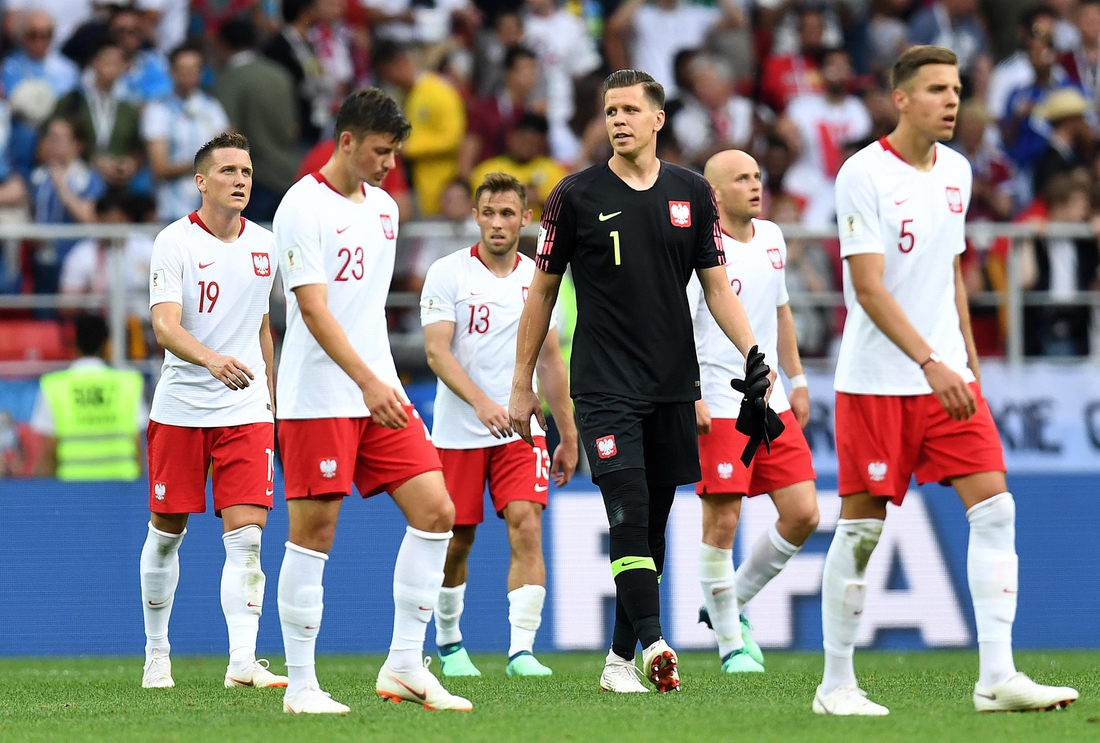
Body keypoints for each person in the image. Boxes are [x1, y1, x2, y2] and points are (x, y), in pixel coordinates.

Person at [820, 45, 1079, 715]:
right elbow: (869, 290)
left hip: (948, 381)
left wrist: (965, 361)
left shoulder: (958, 172)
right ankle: (836, 685)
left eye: (957, 88)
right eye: (936, 89)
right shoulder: (863, 174)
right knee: (862, 530)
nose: (951, 100)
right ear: (901, 98)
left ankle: (997, 677)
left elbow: (951, 277)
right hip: (879, 382)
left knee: (996, 507)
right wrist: (931, 362)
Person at [508, 69, 768, 694]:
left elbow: (714, 285)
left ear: (657, 120)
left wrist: (754, 349)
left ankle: (618, 660)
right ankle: (654, 644)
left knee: (651, 523)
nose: (617, 120)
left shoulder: (692, 193)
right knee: (625, 510)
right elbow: (542, 291)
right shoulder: (574, 195)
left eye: (629, 109)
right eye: (609, 110)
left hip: (673, 384)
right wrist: (524, 384)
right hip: (601, 384)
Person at [273, 88, 470, 715]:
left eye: (396, 154)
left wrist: (376, 379)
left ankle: (406, 666)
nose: (390, 165)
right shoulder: (301, 206)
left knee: (437, 509)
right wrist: (366, 380)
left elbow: (365, 312)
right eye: (382, 152)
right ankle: (302, 687)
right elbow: (312, 308)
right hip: (320, 395)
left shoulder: (385, 209)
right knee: (314, 534)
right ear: (347, 141)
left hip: (377, 389)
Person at [141, 132, 284, 692]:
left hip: (245, 410)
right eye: (227, 171)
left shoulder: (266, 245)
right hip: (180, 409)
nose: (240, 180)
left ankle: (242, 662)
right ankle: (157, 653)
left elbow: (262, 327)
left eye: (246, 171)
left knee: (247, 538)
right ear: (201, 181)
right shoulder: (174, 242)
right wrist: (211, 360)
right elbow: (164, 325)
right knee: (167, 534)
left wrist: (270, 399)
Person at [421, 172, 577, 678]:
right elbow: (436, 352)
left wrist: (568, 433)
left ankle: (521, 652)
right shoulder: (448, 273)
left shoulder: (539, 278)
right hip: (457, 431)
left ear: (525, 219)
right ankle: (449, 644)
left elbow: (551, 359)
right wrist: (483, 402)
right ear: (475, 216)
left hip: (520, 429)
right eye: (488, 213)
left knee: (526, 525)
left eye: (507, 213)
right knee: (456, 539)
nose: (497, 223)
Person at [688, 150, 819, 675]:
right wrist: (690, 391)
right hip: (719, 402)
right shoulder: (698, 249)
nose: (756, 185)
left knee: (804, 513)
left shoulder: (772, 238)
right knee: (723, 521)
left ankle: (729, 602)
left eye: (758, 175)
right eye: (742, 178)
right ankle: (730, 647)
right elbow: (678, 325)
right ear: (715, 194)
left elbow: (781, 311)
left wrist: (798, 378)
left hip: (772, 402)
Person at [31, 312, 145, 480]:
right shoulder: (128, 383)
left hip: (72, 492)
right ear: (106, 344)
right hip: (123, 491)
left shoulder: (54, 386)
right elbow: (138, 446)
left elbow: (48, 451)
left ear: (73, 343)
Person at [142, 44, 231, 222]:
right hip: (172, 209)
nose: (189, 74)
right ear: (172, 72)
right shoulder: (158, 110)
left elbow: (227, 157)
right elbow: (159, 167)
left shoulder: (213, 108)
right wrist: (207, 163)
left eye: (194, 68)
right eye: (183, 69)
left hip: (211, 210)